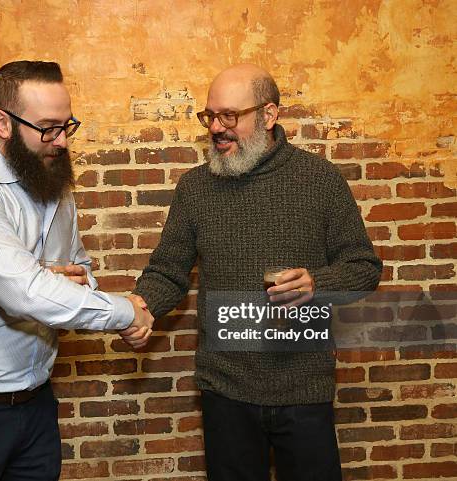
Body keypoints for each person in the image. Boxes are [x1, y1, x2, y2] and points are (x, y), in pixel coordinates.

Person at [0, 60, 152, 481]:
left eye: (67, 126)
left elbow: (81, 272)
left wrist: (68, 283)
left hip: (34, 407)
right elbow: (25, 293)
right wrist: (125, 312)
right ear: (3, 122)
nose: (62, 141)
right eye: (48, 127)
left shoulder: (54, 185)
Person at [131, 64, 382, 481]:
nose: (216, 127)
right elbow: (168, 271)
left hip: (304, 391)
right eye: (209, 116)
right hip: (225, 392)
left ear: (268, 115)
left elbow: (363, 267)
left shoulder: (319, 180)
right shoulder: (195, 187)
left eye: (229, 116)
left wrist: (320, 284)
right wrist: (140, 307)